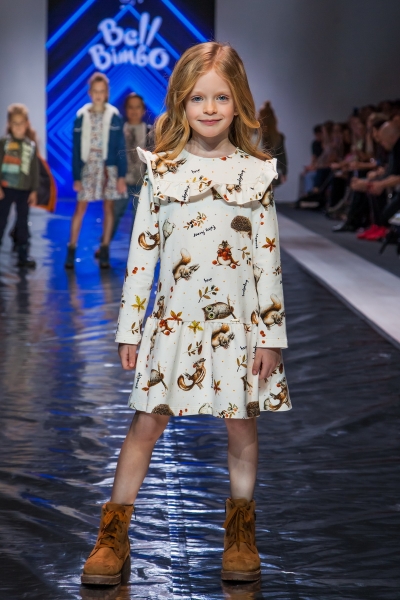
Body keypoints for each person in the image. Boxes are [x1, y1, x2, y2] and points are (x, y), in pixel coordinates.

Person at [80, 42, 291, 586]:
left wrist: (271, 336)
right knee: (145, 423)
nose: (210, 108)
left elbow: (267, 261)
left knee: (241, 424)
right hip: (173, 323)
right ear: (180, 101)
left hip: (239, 327)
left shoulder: (256, 174)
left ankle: (240, 535)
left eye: (221, 97)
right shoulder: (163, 170)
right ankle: (113, 536)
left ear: (239, 101)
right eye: (198, 98)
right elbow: (142, 255)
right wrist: (130, 328)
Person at [65, 72, 127, 270]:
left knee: (108, 208)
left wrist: (122, 175)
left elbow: (121, 147)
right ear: (90, 92)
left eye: (102, 91)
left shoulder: (114, 116)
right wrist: (76, 176)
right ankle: (71, 249)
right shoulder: (81, 116)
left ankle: (105, 249)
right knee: (80, 208)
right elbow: (76, 149)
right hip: (88, 165)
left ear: (107, 93)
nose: (99, 94)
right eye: (95, 91)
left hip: (109, 167)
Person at [95, 93, 153, 258]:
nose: (134, 111)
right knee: (114, 214)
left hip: (142, 182)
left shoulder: (149, 131)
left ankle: (135, 252)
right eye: (130, 107)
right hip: (121, 181)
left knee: (139, 220)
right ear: (126, 110)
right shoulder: (119, 130)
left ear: (143, 110)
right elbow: (112, 153)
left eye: (138, 107)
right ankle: (104, 245)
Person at [0, 103, 39, 268]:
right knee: (1, 220)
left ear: (27, 124)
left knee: (23, 221)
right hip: (6, 188)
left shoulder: (31, 145)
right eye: (14, 123)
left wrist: (34, 190)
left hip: (24, 190)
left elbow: (34, 170)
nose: (18, 127)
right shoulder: (4, 143)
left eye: (21, 123)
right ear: (9, 124)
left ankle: (23, 255)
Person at [258, 101, 288, 184]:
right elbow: (282, 156)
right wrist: (284, 172)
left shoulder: (256, 135)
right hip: (273, 171)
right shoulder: (278, 137)